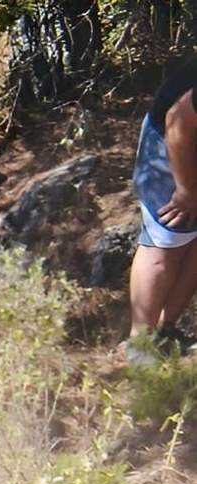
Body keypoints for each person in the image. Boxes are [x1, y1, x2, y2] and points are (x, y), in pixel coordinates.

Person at [130, 59, 197, 362]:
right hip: (172, 138)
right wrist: (186, 189)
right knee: (167, 243)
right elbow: (177, 121)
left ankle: (165, 332)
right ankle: (140, 344)